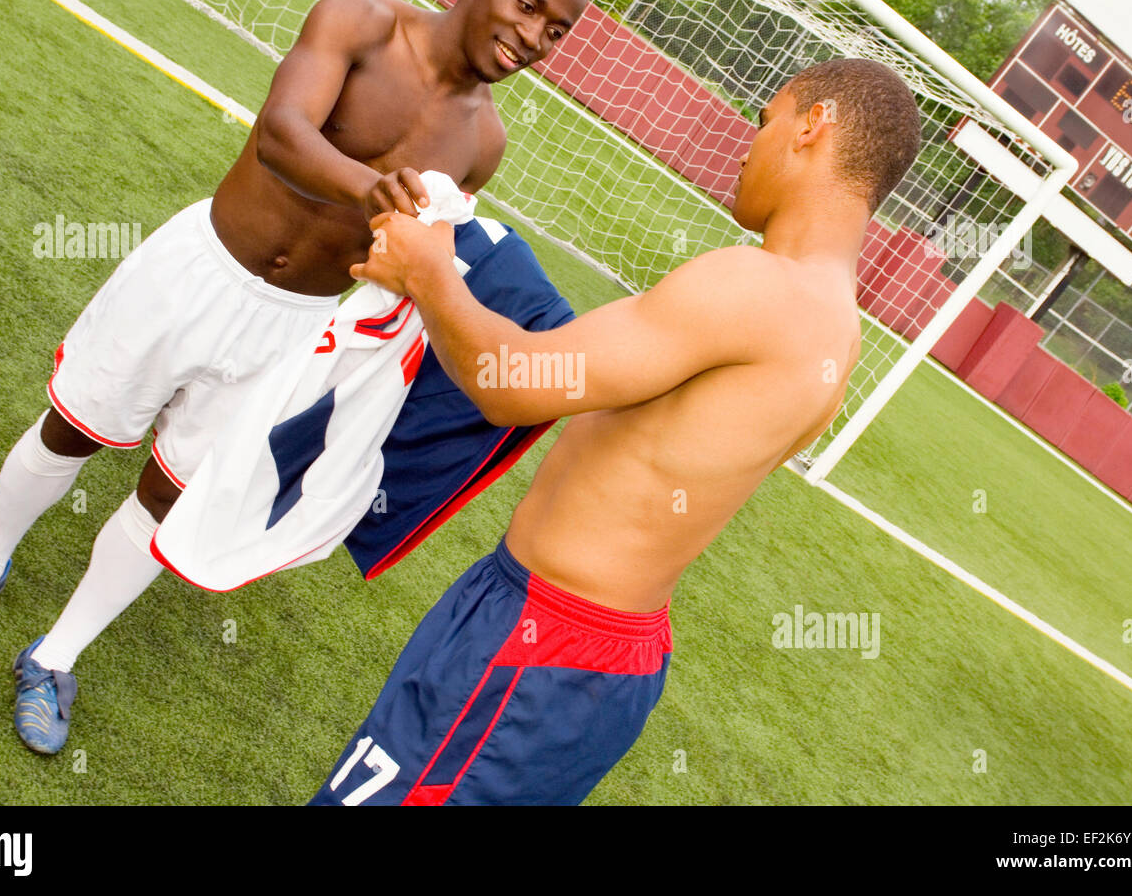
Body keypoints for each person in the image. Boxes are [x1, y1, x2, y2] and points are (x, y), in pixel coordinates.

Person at [0, 0, 592, 755]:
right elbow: (280, 134)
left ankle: (55, 658)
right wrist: (370, 189)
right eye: (528, 4)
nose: (535, 36)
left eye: (557, 30)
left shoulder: (485, 142)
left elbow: (414, 251)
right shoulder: (362, 21)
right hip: (200, 267)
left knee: (171, 493)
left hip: (295, 329)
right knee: (74, 428)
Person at [311, 58, 923, 805]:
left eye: (764, 120)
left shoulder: (755, 285)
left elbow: (514, 386)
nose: (745, 144)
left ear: (812, 126)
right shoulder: (838, 332)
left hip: (541, 641)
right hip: (599, 654)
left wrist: (430, 271)